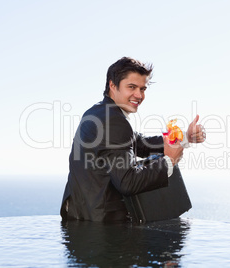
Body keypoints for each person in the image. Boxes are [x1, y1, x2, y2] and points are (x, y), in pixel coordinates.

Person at [60, 57, 205, 222]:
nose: (139, 95)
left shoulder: (98, 112)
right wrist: (169, 161)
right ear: (112, 86)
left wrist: (186, 137)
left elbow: (139, 144)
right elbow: (128, 182)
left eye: (143, 89)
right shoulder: (113, 121)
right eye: (132, 87)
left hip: (79, 217)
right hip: (102, 227)